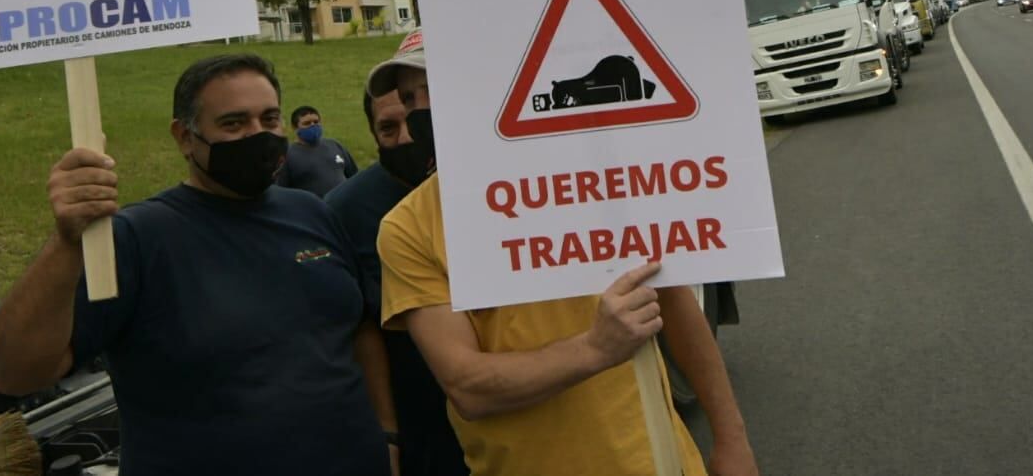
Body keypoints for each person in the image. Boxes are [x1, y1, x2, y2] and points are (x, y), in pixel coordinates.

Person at [0, 54, 394, 476]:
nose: (258, 135)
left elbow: (359, 329)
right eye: (233, 124)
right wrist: (66, 240)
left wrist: (388, 435)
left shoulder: (313, 213)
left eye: (269, 120)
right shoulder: (136, 239)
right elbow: (15, 373)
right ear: (184, 137)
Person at [374, 30, 759, 476]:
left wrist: (732, 440)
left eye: (434, 88)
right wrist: (595, 348)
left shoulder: (594, 184)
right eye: (409, 97)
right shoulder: (408, 229)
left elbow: (674, 304)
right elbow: (468, 387)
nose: (421, 110)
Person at [326, 30, 467, 476]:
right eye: (390, 125)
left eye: (420, 106)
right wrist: (387, 431)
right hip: (423, 424)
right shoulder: (345, 211)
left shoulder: (505, 188)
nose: (408, 135)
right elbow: (359, 329)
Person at [276, 104, 358, 197]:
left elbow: (354, 177)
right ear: (295, 128)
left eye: (316, 122)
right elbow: (281, 191)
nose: (313, 125)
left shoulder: (335, 145)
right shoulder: (287, 155)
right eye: (307, 123)